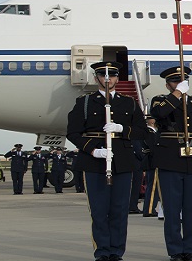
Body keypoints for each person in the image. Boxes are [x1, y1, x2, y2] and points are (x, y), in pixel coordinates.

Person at [67, 61, 143, 261]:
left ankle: (117, 251)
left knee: (119, 210)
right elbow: (73, 133)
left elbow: (141, 131)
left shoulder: (129, 103)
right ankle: (102, 251)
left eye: (112, 76)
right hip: (95, 161)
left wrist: (121, 129)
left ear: (118, 78)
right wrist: (93, 150)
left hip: (123, 160)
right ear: (96, 78)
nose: (107, 79)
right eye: (102, 75)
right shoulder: (84, 103)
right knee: (99, 211)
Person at [149, 65, 192, 260]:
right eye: (175, 81)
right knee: (172, 209)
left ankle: (189, 249)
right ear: (168, 84)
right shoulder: (160, 101)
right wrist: (177, 94)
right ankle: (175, 250)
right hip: (170, 160)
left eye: (182, 81)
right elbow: (159, 115)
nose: (179, 84)